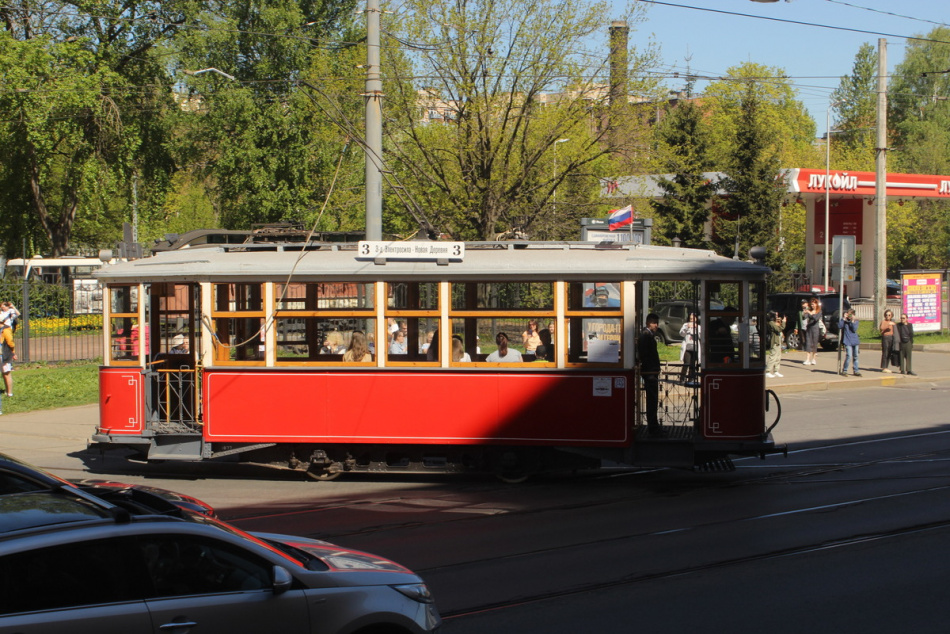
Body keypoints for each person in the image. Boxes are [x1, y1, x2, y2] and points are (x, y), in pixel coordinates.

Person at [638, 313, 662, 437]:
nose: (656, 325)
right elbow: (645, 354)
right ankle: (653, 427)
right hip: (650, 372)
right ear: (648, 323)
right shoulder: (645, 335)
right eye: (654, 323)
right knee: (652, 400)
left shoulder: (648, 335)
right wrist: (651, 369)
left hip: (651, 371)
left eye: (657, 323)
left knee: (653, 399)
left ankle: (654, 425)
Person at [838, 308, 861, 377]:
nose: (849, 316)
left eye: (851, 314)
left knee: (856, 356)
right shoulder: (845, 321)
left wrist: (852, 321)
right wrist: (843, 319)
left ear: (853, 315)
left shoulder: (856, 321)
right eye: (848, 314)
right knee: (849, 356)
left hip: (855, 341)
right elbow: (839, 326)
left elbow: (854, 329)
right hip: (847, 341)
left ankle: (856, 370)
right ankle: (845, 370)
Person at [678, 313, 700, 381]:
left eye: (693, 319)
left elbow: (701, 336)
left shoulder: (698, 327)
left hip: (695, 347)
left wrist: (696, 328)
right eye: (690, 319)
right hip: (687, 348)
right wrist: (687, 327)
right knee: (686, 363)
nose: (691, 320)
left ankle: (691, 379)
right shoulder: (685, 325)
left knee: (692, 364)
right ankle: (682, 378)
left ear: (696, 319)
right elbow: (681, 334)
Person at [766, 311, 785, 378]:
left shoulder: (774, 322)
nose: (777, 317)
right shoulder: (771, 323)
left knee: (778, 357)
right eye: (775, 315)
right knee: (773, 356)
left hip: (778, 341)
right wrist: (784, 322)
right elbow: (778, 329)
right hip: (774, 341)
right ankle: (767, 371)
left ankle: (776, 370)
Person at [802, 298, 820, 366]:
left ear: (816, 304)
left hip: (815, 329)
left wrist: (810, 313)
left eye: (813, 304)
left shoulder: (819, 311)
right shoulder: (809, 310)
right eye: (811, 304)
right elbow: (804, 317)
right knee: (808, 343)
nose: (812, 305)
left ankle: (814, 359)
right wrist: (804, 312)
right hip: (809, 328)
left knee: (814, 344)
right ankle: (807, 359)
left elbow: (815, 319)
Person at [0, 320, 15, 402]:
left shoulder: (5, 330)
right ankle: (6, 391)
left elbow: (11, 343)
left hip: (4, 354)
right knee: (3, 373)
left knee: (6, 373)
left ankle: (9, 393)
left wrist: (13, 352)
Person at [879, 309, 896, 373]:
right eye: (886, 315)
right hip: (885, 337)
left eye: (889, 315)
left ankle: (886, 366)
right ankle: (884, 367)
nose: (887, 316)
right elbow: (881, 328)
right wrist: (888, 324)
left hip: (891, 338)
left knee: (889, 352)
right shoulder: (884, 322)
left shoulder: (893, 322)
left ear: (891, 316)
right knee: (885, 352)